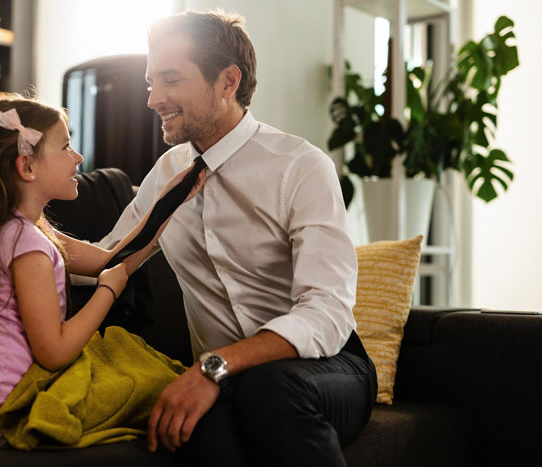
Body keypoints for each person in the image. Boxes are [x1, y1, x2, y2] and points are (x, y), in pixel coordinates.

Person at [92, 10, 378, 467]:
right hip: (230, 381)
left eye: (170, 80)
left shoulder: (300, 167)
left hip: (326, 365)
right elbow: (110, 256)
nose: (153, 99)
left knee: (270, 388)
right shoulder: (168, 174)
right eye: (151, 83)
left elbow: (327, 311)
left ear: (227, 81)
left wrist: (214, 366)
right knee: (199, 431)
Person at [0, 94, 204, 449]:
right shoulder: (26, 244)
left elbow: (112, 259)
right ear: (27, 167)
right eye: (66, 146)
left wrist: (168, 202)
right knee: (140, 382)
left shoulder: (19, 229)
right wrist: (108, 292)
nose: (79, 157)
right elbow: (54, 353)